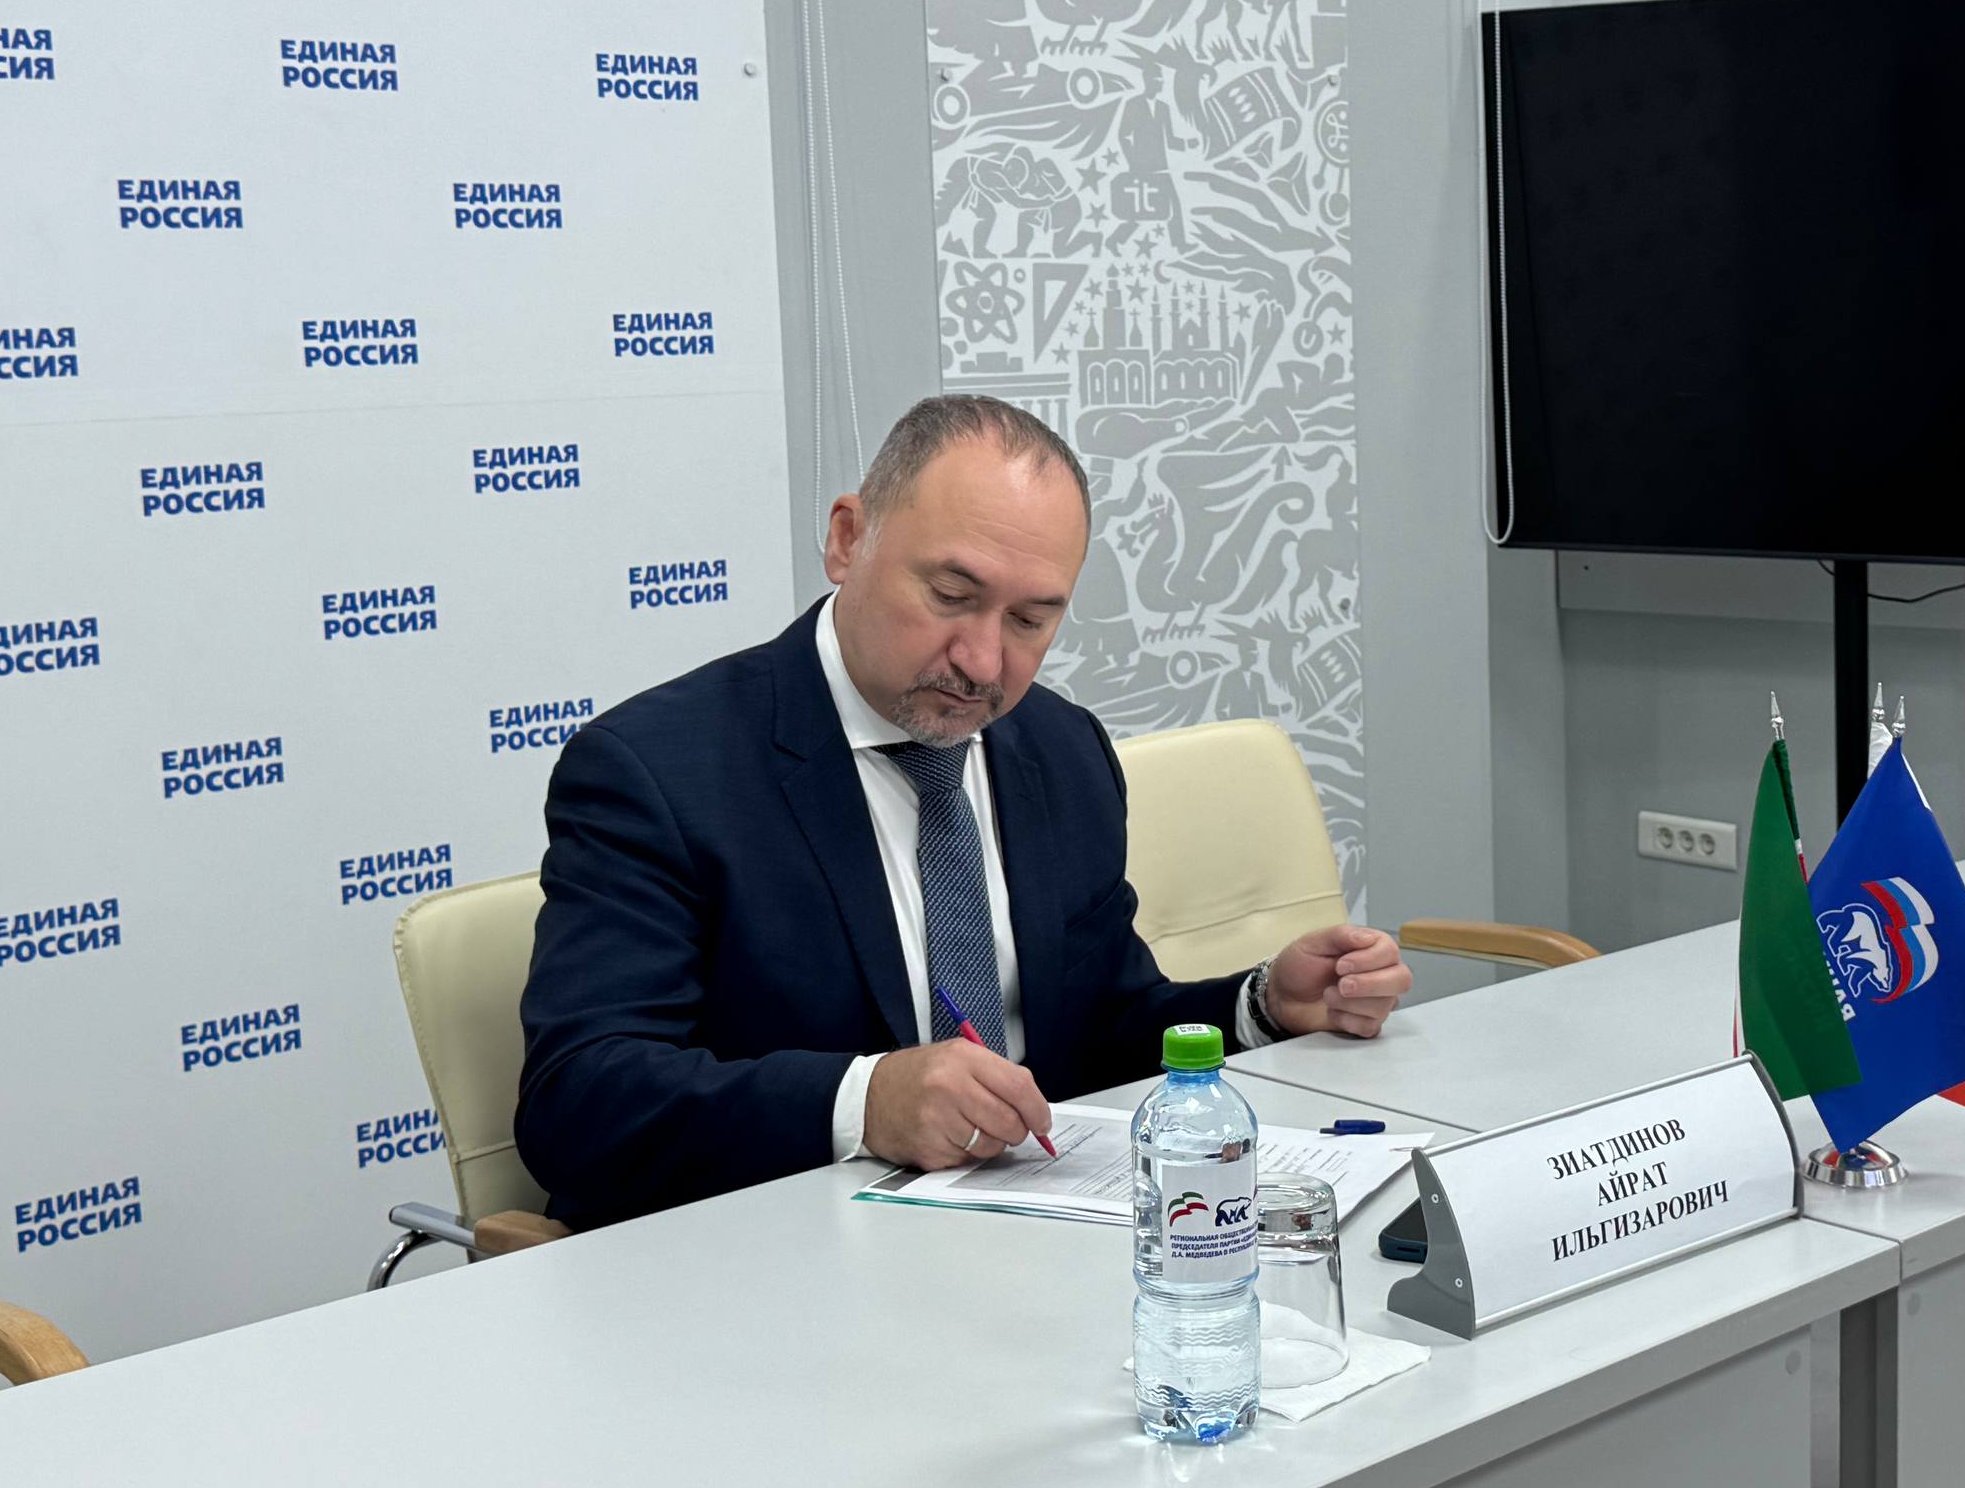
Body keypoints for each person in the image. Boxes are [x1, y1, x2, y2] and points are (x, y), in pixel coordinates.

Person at [516, 396, 1410, 1229]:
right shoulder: (658, 772)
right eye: (951, 597)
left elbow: (1101, 1027)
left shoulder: (1061, 749)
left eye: (1030, 621)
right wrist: (866, 1102)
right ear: (847, 540)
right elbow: (579, 1101)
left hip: (1028, 1248)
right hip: (779, 1258)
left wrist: (1260, 1006)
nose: (983, 662)